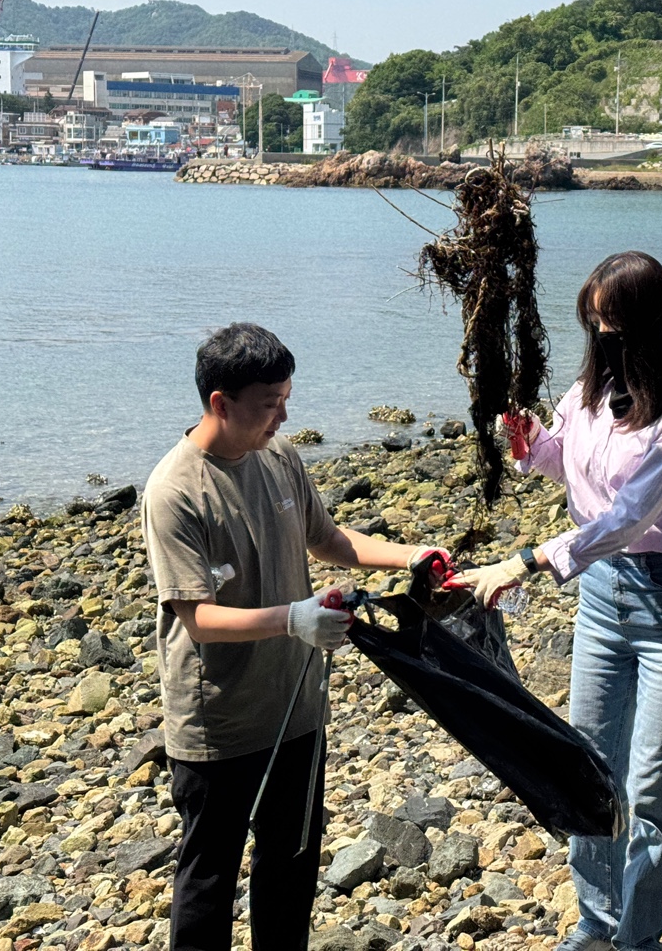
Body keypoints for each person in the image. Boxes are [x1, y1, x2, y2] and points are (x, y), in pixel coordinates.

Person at [142, 322, 448, 951]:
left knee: (291, 863)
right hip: (219, 723)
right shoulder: (175, 491)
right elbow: (197, 618)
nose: (283, 417)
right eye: (269, 404)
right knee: (209, 877)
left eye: (286, 399)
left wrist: (410, 555)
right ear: (220, 403)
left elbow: (328, 539)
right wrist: (293, 618)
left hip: (297, 709)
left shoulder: (279, 456)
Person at [448, 251, 662, 951]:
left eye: (612, 323)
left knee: (652, 787)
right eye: (593, 322)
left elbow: (628, 517)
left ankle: (637, 939)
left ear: (646, 324)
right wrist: (528, 440)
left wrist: (529, 559)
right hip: (602, 599)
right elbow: (564, 464)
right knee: (588, 768)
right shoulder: (588, 393)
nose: (601, 336)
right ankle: (596, 925)